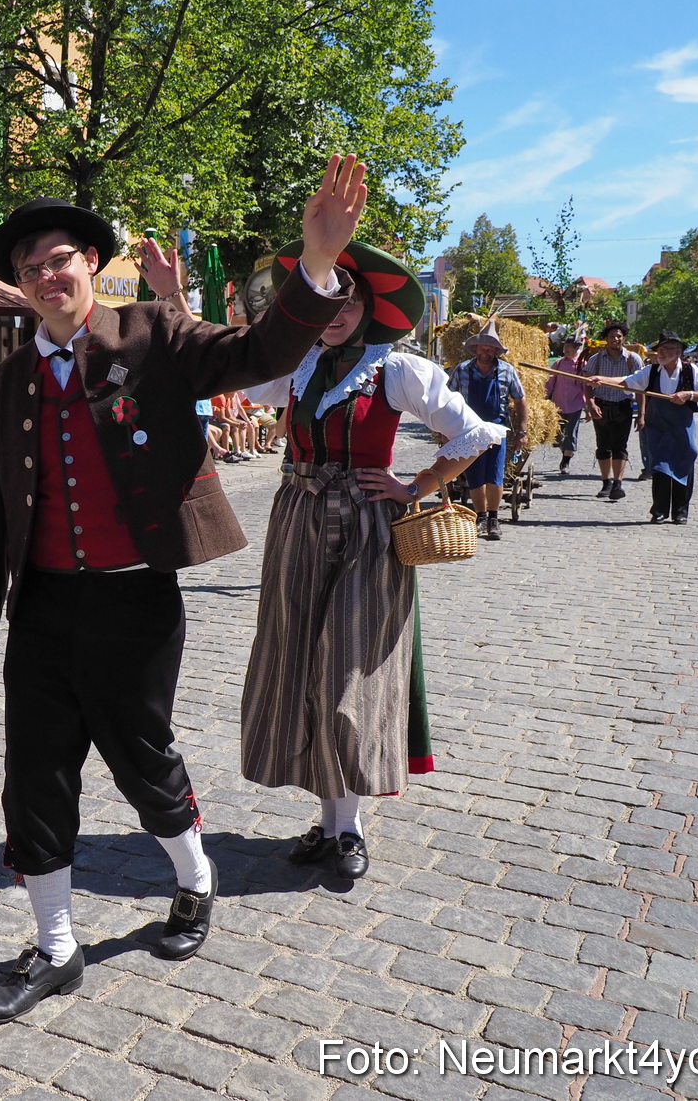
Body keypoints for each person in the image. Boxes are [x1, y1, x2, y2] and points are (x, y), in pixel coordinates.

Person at [0, 154, 369, 1024]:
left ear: (88, 264)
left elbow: (259, 349)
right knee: (33, 778)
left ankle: (194, 877)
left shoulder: (151, 333)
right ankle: (56, 946)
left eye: (59, 258)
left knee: (140, 757)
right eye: (30, 267)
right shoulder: (8, 381)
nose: (45, 275)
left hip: (133, 599)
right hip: (40, 605)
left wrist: (318, 267)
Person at [236, 243, 504, 883]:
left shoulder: (397, 369)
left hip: (365, 529)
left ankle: (349, 824)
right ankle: (329, 821)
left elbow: (474, 433)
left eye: (346, 299)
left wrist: (416, 486)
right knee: (300, 660)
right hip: (296, 521)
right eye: (323, 298)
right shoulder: (295, 366)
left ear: (367, 305)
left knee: (351, 669)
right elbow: (228, 372)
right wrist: (171, 296)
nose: (334, 312)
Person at [585, 334, 698, 524]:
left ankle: (680, 511)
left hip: (681, 427)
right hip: (658, 427)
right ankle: (659, 510)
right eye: (659, 349)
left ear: (677, 352)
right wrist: (601, 379)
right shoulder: (651, 371)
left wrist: (689, 394)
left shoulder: (690, 371)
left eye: (666, 349)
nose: (660, 352)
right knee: (660, 467)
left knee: (685, 461)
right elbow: (625, 381)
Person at [448, 322, 527, 540]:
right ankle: (480, 517)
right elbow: (447, 400)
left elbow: (520, 400)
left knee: (495, 475)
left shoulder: (506, 371)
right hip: (469, 430)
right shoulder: (462, 370)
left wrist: (522, 430)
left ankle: (494, 519)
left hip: (497, 429)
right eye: (482, 347)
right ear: (475, 349)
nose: (485, 351)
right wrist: (446, 430)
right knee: (475, 476)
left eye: (490, 348)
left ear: (496, 351)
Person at [582, 323, 644, 501]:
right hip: (601, 405)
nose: (615, 339)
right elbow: (586, 384)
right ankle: (606, 482)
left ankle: (618, 483)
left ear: (623, 338)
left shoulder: (633, 359)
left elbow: (641, 389)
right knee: (603, 445)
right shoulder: (596, 359)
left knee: (620, 446)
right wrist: (591, 405)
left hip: (623, 406)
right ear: (606, 339)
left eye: (618, 336)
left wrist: (641, 414)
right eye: (611, 336)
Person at [545, 336, 588, 475]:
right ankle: (566, 451)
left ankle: (565, 461)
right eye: (565, 347)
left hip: (575, 404)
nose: (566, 350)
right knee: (557, 436)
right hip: (558, 404)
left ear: (577, 349)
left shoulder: (583, 365)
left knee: (570, 433)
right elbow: (550, 383)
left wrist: (589, 407)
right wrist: (544, 398)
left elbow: (586, 387)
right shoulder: (558, 364)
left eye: (570, 347)